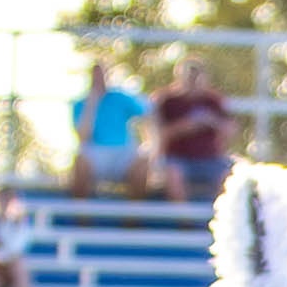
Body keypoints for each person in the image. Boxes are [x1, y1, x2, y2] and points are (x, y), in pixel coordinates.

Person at [154, 58, 237, 204]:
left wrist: (212, 121)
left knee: (230, 176)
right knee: (173, 175)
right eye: (189, 76)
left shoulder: (213, 100)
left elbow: (231, 130)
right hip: (177, 159)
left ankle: (218, 213)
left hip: (210, 158)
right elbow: (157, 134)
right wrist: (185, 126)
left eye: (197, 76)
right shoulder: (167, 100)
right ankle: (183, 217)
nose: (193, 81)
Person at [67, 62, 153, 200]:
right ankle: (80, 212)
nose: (99, 79)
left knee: (143, 162)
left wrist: (150, 145)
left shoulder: (120, 98)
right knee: (80, 161)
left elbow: (147, 115)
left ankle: (135, 212)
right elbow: (82, 137)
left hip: (123, 152)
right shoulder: (80, 103)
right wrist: (92, 104)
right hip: (95, 153)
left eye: (102, 74)